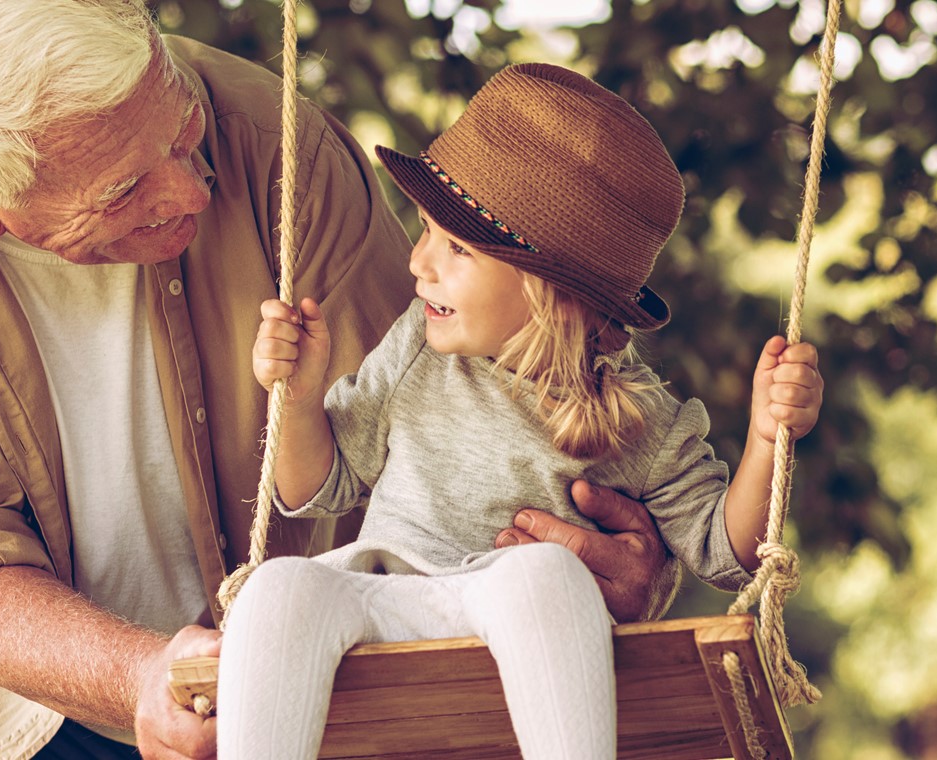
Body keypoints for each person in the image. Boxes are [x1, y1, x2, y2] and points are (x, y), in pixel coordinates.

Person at [0, 2, 676, 757]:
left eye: (181, 131)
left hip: (303, 652)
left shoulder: (272, 140)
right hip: (9, 696)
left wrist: (595, 566)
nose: (191, 190)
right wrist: (140, 677)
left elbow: (444, 427)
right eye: (125, 189)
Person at [216, 63, 825, 759]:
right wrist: (295, 397)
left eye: (457, 247)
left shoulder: (642, 421)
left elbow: (731, 552)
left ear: (545, 289)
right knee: (278, 588)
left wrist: (767, 437)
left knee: (544, 573)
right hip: (384, 604)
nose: (420, 264)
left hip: (521, 634)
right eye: (424, 231)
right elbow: (309, 489)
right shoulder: (418, 343)